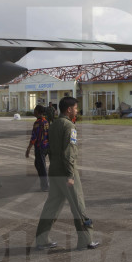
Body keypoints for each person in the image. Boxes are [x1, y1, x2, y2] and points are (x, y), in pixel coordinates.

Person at [34, 96, 98, 250]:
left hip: (54, 170)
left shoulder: (54, 124)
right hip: (66, 172)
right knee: (78, 205)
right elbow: (69, 153)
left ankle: (41, 239)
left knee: (52, 206)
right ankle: (85, 239)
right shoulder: (69, 126)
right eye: (75, 108)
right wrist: (70, 175)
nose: (77, 110)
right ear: (69, 109)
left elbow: (48, 148)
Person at [24, 104, 50, 192]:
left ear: (38, 112)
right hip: (46, 146)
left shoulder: (38, 123)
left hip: (40, 147)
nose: (34, 112)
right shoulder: (46, 121)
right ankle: (45, 183)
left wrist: (28, 149)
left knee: (41, 166)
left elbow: (34, 137)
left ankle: (45, 185)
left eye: (35, 110)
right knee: (38, 164)